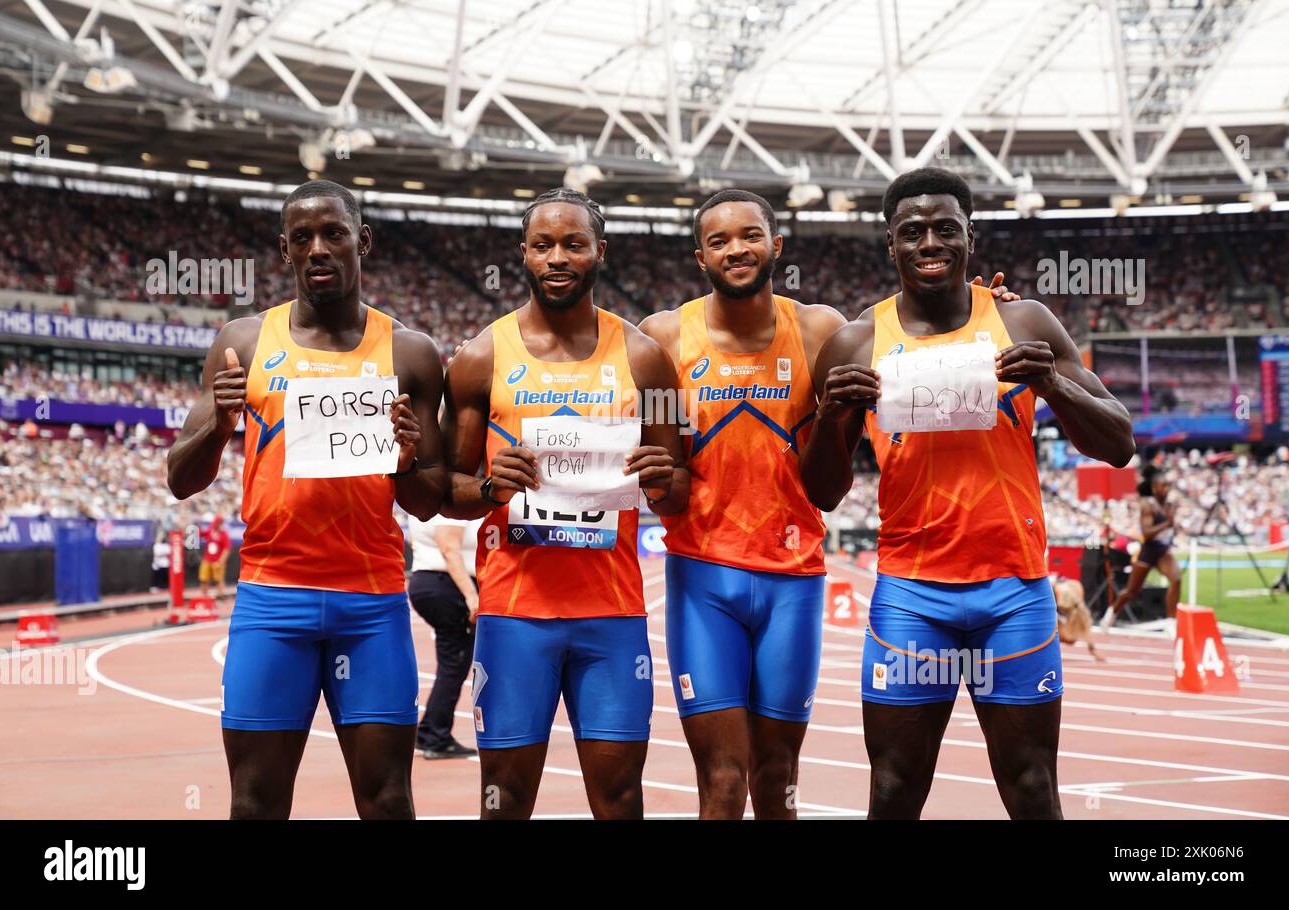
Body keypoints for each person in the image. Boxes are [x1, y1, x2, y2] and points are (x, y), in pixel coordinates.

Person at [638, 188, 1017, 820]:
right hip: (703, 576)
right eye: (720, 240)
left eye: (750, 236)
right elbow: (665, 485)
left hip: (794, 578)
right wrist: (656, 478)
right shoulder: (662, 337)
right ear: (699, 256)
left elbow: (913, 338)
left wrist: (983, 308)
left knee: (779, 779)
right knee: (723, 785)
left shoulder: (821, 330)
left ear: (776, 245)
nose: (737, 249)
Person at [800, 167, 1135, 820]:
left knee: (1034, 788)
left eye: (945, 229)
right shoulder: (856, 341)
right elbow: (823, 493)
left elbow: (1118, 443)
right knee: (894, 790)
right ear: (890, 244)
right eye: (913, 231)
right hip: (911, 595)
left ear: (969, 239)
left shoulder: (1024, 320)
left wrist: (1055, 385)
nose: (930, 242)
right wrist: (834, 418)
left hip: (1013, 591)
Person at [166, 179, 446, 820]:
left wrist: (406, 460)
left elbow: (427, 501)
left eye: (334, 234)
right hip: (272, 599)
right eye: (301, 238)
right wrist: (217, 423)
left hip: (370, 604)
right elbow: (181, 478)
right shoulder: (243, 343)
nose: (318, 248)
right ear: (284, 250)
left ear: (362, 241)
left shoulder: (409, 353)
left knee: (388, 799)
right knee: (256, 802)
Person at [441, 188, 689, 820]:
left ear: (598, 252)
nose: (558, 257)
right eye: (543, 245)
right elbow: (446, 490)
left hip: (610, 614)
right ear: (523, 254)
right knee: (505, 799)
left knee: (619, 798)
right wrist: (492, 487)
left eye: (573, 244)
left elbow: (678, 488)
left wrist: (663, 477)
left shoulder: (646, 360)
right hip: (514, 614)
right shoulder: (479, 359)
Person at [407, 512, 483, 759]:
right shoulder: (449, 505)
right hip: (445, 584)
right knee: (455, 663)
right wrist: (472, 596)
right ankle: (433, 735)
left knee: (454, 663)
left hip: (433, 582)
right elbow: (449, 549)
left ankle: (431, 732)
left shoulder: (426, 502)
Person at [1101, 465, 1180, 628]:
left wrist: (1172, 526)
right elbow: (1147, 533)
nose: (1166, 489)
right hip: (1149, 550)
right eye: (1162, 485)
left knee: (1176, 580)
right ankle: (1112, 612)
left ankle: (1172, 621)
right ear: (1153, 488)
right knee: (1131, 592)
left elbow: (1169, 528)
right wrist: (1167, 524)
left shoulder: (1170, 505)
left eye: (1168, 485)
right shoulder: (1148, 505)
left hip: (1163, 550)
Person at [198, 514, 230, 601]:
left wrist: (221, 560)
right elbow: (200, 534)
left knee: (218, 580)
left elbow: (227, 548)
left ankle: (220, 596)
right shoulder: (210, 530)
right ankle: (204, 596)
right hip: (207, 559)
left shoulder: (224, 534)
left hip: (217, 560)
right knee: (204, 578)